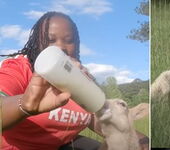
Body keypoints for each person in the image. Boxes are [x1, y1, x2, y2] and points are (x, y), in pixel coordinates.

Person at [0, 11, 149, 150]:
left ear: (77, 45)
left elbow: (94, 119)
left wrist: (134, 138)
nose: (60, 47)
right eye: (50, 40)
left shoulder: (80, 78)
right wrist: (25, 105)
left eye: (69, 41)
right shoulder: (19, 69)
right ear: (37, 44)